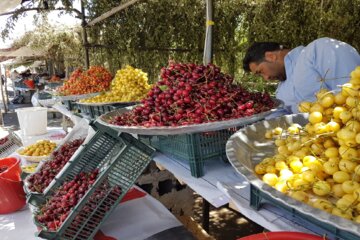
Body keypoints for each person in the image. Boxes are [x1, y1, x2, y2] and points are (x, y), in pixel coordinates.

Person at [243, 37, 360, 113]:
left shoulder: (319, 49)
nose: (266, 78)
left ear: (270, 56)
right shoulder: (281, 91)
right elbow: (279, 118)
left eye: (260, 72)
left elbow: (352, 93)